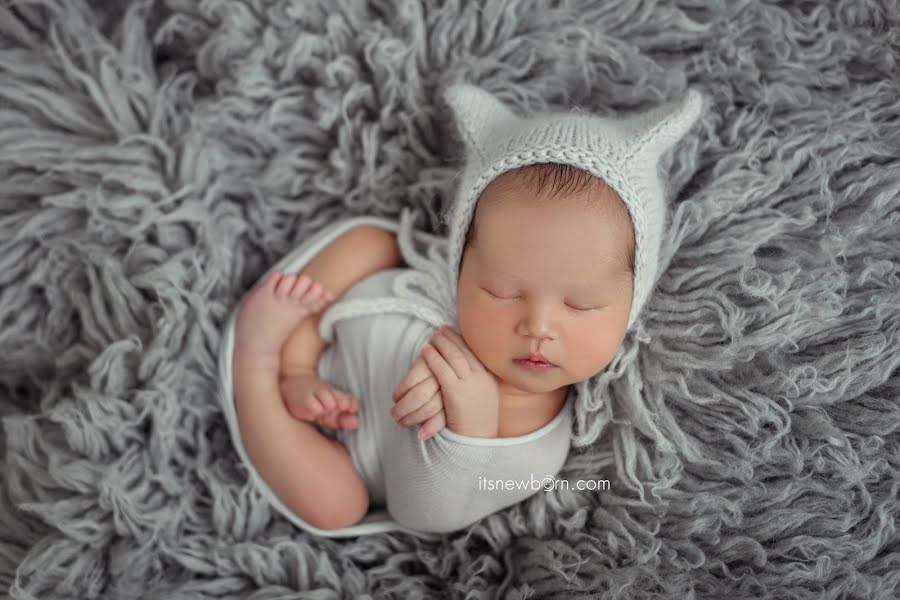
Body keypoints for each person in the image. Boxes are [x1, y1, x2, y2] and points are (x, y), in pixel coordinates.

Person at [219, 82, 704, 537]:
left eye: (581, 303)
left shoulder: (537, 456)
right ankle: (289, 358)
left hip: (338, 451)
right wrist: (302, 368)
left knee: (336, 505)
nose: (537, 326)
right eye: (500, 290)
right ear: (461, 265)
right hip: (322, 339)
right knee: (372, 241)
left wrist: (467, 434)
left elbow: (422, 516)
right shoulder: (437, 281)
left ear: (631, 303)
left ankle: (255, 369)